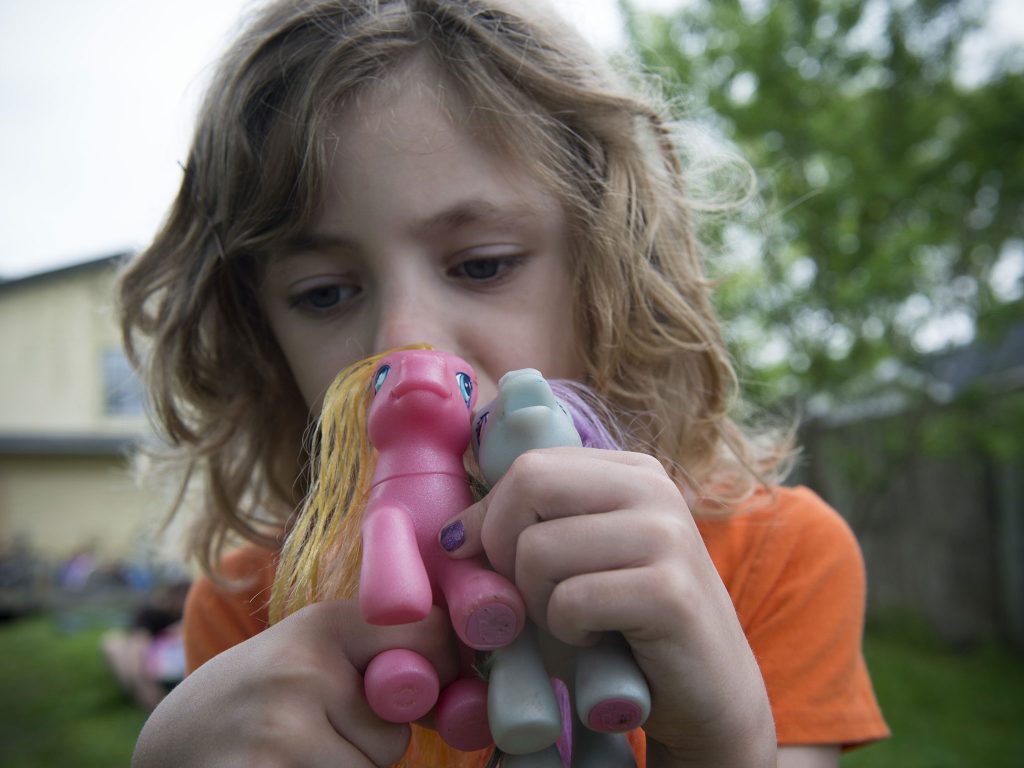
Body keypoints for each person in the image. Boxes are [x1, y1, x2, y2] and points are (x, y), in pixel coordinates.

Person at [117, 0, 889, 765]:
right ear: (259, 337)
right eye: (324, 294)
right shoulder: (252, 606)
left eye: (482, 265)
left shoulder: (776, 556)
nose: (405, 347)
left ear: (607, 274)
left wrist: (723, 744)